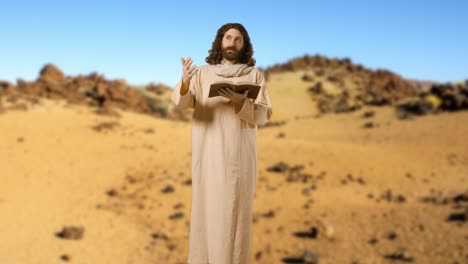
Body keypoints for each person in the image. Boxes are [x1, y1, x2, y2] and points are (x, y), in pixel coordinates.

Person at [171, 22, 272, 264]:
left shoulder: (254, 75)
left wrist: (240, 102)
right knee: (208, 216)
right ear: (220, 41)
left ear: (244, 45)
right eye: (228, 38)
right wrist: (185, 81)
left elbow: (264, 115)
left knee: (234, 221)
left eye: (238, 39)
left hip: (239, 161)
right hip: (208, 160)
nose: (232, 43)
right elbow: (180, 103)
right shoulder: (203, 74)